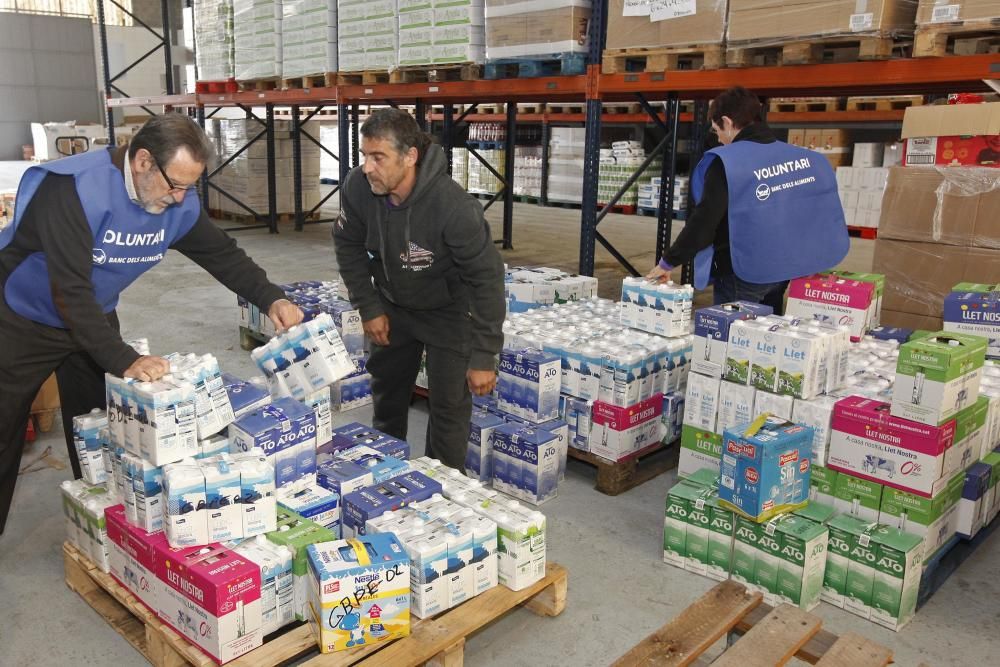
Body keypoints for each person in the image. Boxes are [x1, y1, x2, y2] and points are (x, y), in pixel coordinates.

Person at [0, 113, 303, 535]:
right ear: (142, 161)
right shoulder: (72, 189)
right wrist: (125, 358)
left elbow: (221, 254)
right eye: (174, 184)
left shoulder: (175, 203)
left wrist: (271, 297)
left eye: (189, 187)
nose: (180, 198)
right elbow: (69, 290)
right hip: (21, 316)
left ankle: (97, 517)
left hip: (94, 316)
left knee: (98, 428)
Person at [333, 108, 505, 470]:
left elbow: (486, 280)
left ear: (410, 156)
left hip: (446, 311)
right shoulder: (357, 188)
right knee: (388, 398)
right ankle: (384, 472)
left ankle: (442, 490)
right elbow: (347, 245)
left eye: (378, 158)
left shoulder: (454, 208)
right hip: (393, 306)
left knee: (448, 410)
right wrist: (369, 306)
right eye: (365, 156)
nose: (367, 167)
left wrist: (484, 355)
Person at [646, 86, 849, 314]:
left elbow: (704, 222)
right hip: (787, 269)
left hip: (744, 271)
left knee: (730, 338)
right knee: (765, 333)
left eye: (717, 131)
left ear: (727, 122)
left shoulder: (728, 162)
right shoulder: (804, 158)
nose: (720, 139)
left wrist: (668, 262)